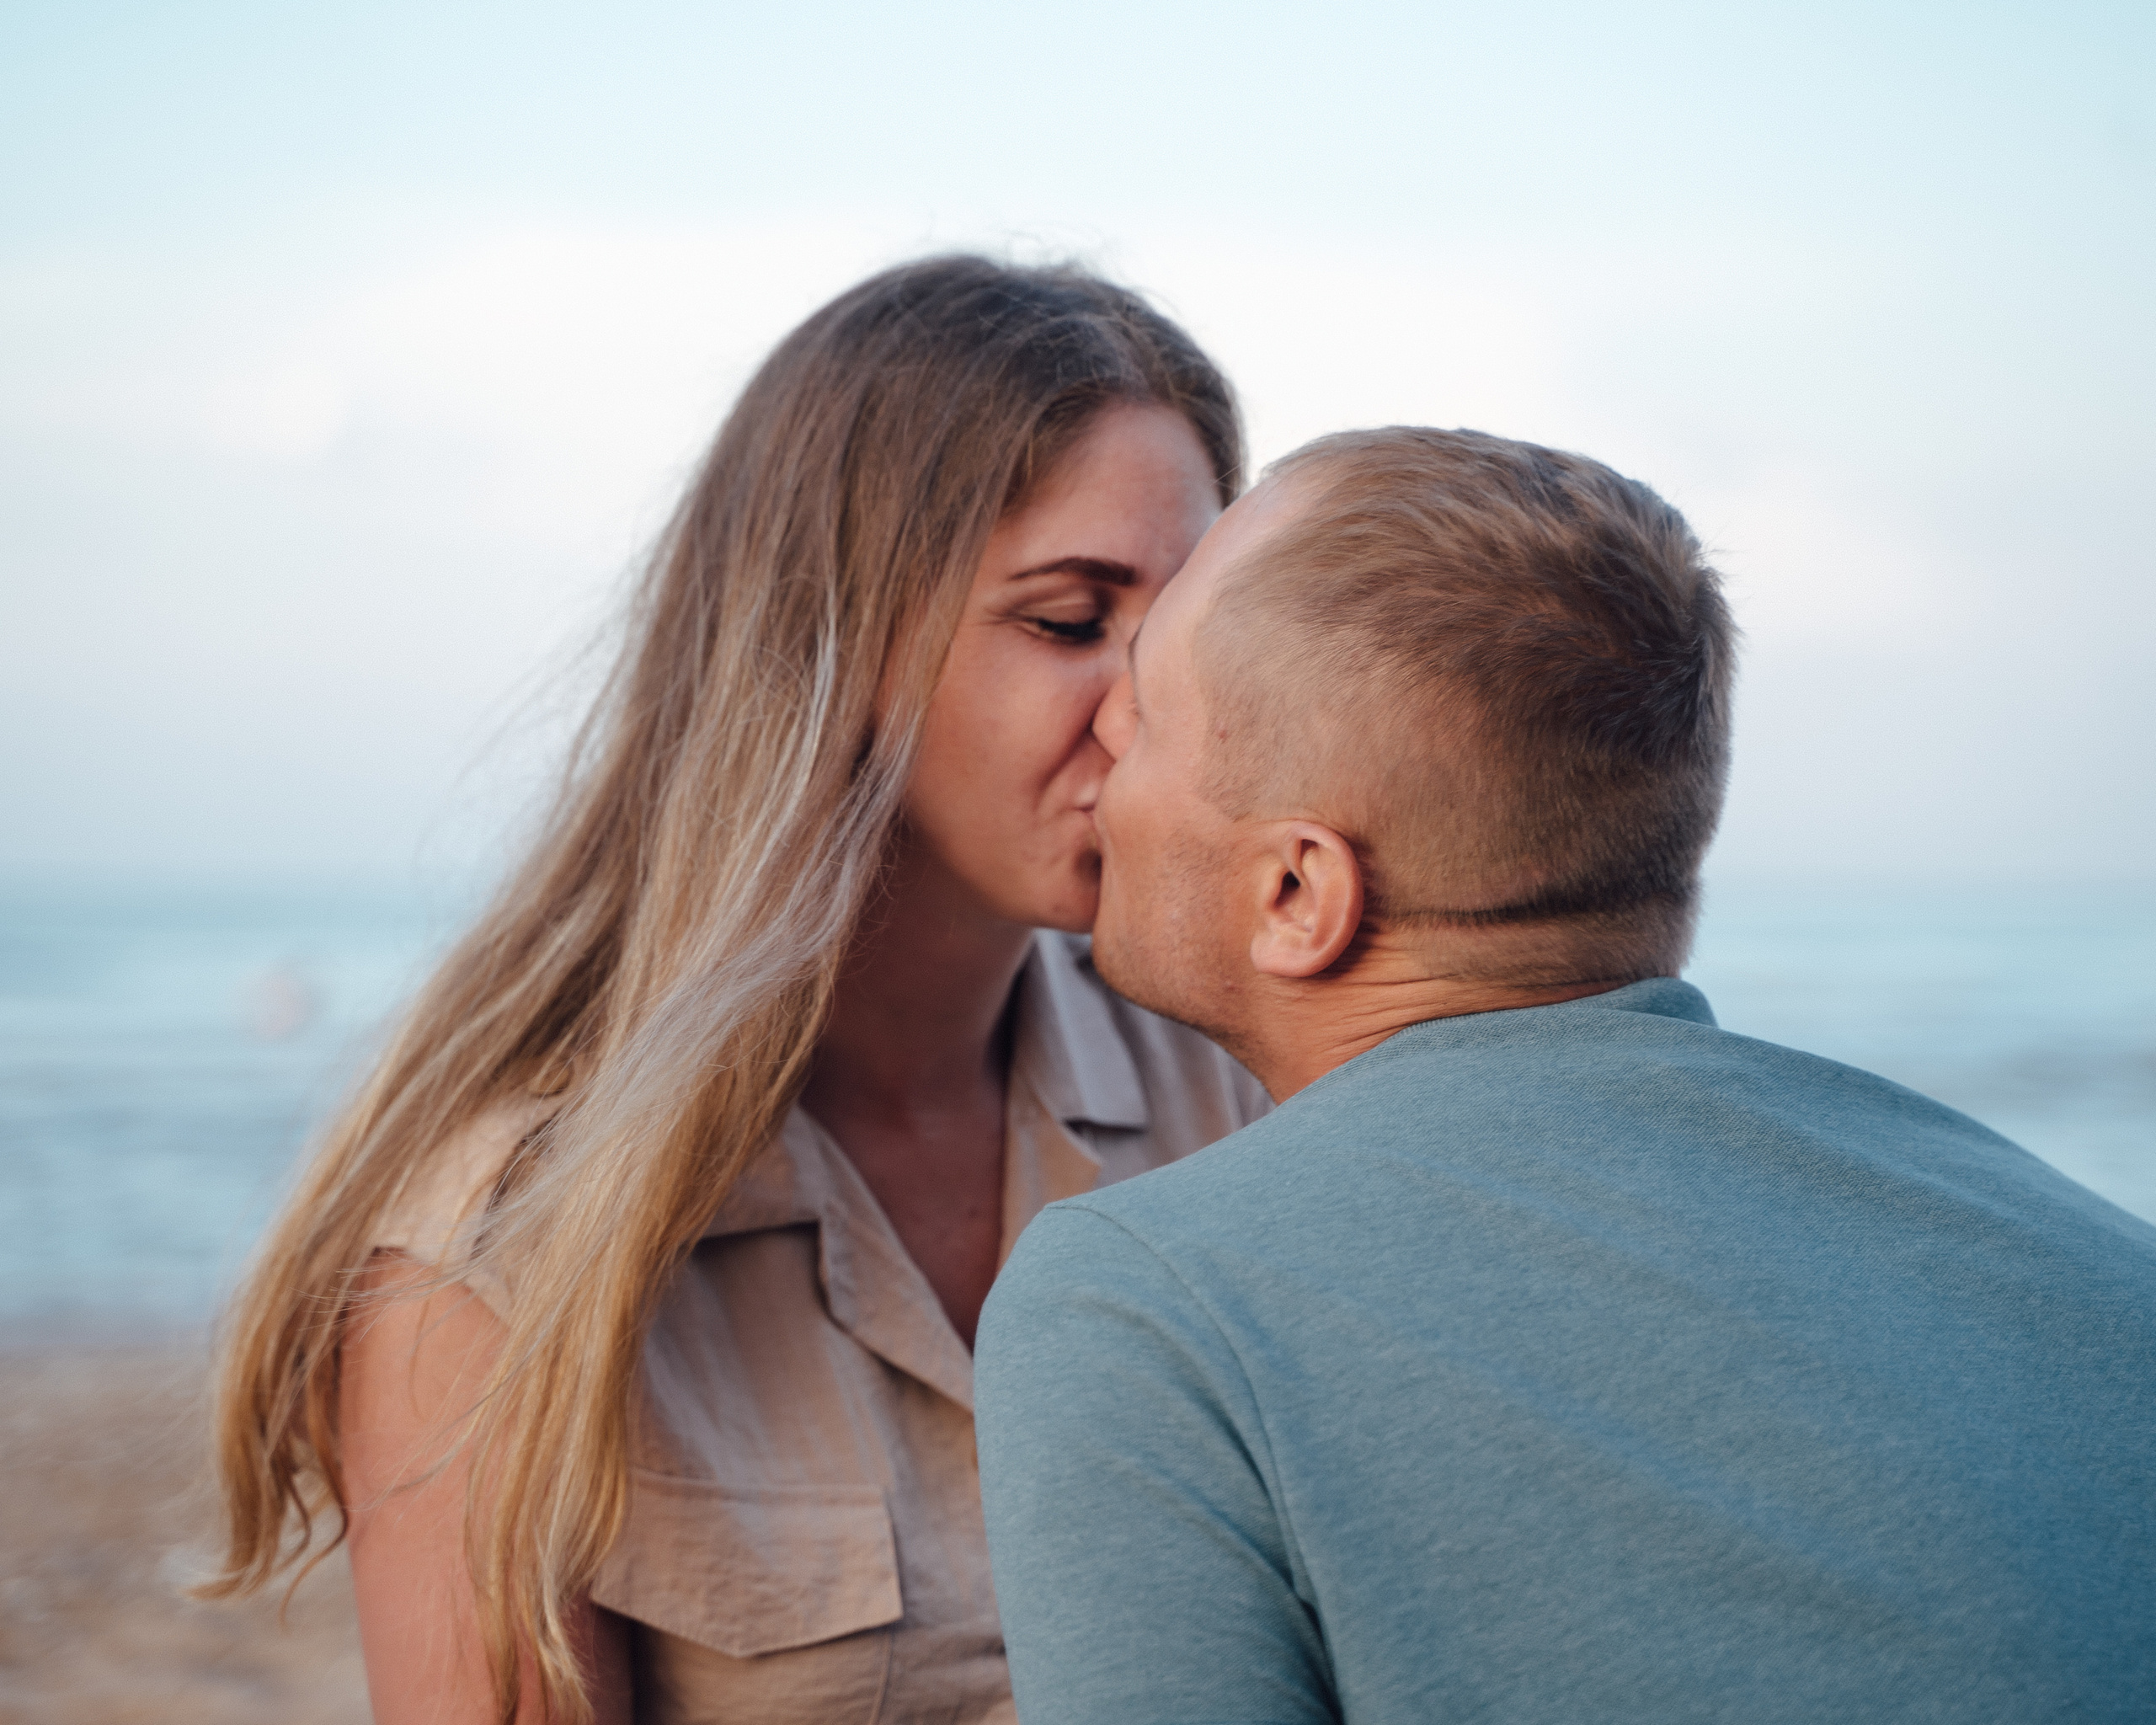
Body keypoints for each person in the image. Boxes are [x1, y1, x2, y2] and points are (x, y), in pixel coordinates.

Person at [205, 255, 1270, 1725]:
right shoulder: (503, 1259)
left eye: (1194, 636)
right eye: (1071, 621)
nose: (1159, 715)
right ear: (829, 642)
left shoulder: (1252, 1099)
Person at [974, 427, 2156, 1722]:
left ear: (1297, 891)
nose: (1096, 740)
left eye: (1140, 716)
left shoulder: (1147, 1307)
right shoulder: (2106, 1270)